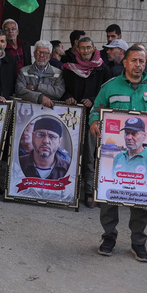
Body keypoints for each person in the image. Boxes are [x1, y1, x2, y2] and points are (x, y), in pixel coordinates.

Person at [90, 45, 147, 262]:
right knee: (109, 195)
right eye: (134, 60)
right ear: (124, 62)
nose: (138, 65)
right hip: (114, 154)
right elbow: (96, 109)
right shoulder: (110, 87)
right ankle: (109, 237)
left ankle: (138, 242)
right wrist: (94, 121)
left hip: (145, 156)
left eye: (142, 61)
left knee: (142, 198)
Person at [62, 35, 109, 207]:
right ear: (77, 49)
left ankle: (89, 191)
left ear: (94, 48)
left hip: (93, 118)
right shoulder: (69, 68)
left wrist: (93, 99)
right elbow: (63, 89)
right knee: (70, 152)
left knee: (90, 155)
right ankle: (69, 189)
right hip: (73, 117)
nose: (86, 51)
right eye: (82, 48)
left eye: (89, 47)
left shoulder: (102, 69)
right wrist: (68, 97)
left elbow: (106, 92)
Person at [109, 116, 147, 183]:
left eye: (134, 133)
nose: (129, 137)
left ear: (144, 136)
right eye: (127, 133)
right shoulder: (118, 158)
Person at [15, 40, 65, 109]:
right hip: (28, 112)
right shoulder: (24, 71)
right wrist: (40, 97)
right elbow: (20, 91)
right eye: (39, 52)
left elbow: (58, 93)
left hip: (50, 112)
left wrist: (36, 87)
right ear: (34, 54)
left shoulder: (58, 73)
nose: (41, 55)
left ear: (50, 56)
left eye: (45, 53)